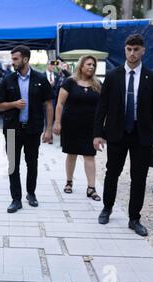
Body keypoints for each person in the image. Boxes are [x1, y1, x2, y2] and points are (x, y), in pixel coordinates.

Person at [94, 34, 153, 237]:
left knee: (139, 177)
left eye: (136, 49)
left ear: (143, 50)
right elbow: (102, 107)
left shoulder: (152, 78)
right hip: (117, 132)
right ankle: (107, 208)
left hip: (141, 134)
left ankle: (134, 218)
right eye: (129, 49)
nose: (132, 53)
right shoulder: (113, 75)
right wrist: (97, 133)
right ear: (125, 50)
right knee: (112, 172)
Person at [0, 45, 54, 213]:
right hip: (12, 129)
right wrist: (14, 104)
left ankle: (31, 194)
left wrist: (48, 129)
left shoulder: (40, 78)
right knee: (13, 165)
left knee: (32, 163)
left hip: (33, 129)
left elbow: (49, 104)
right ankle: (16, 199)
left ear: (26, 59)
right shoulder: (7, 80)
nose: (12, 62)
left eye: (15, 59)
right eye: (12, 58)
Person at [53, 55, 101, 201]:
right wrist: (57, 122)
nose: (91, 67)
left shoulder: (98, 84)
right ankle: (69, 182)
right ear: (81, 66)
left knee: (89, 155)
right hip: (71, 124)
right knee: (72, 154)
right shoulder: (70, 82)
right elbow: (60, 103)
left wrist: (102, 126)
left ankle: (91, 188)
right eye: (88, 64)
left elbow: (102, 106)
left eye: (93, 65)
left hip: (90, 126)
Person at [44, 60, 59, 144]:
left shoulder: (57, 75)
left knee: (53, 117)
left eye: (54, 65)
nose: (53, 66)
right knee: (47, 117)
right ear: (47, 65)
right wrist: (48, 85)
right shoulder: (42, 75)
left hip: (55, 99)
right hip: (45, 99)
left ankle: (48, 133)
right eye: (52, 65)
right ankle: (49, 136)